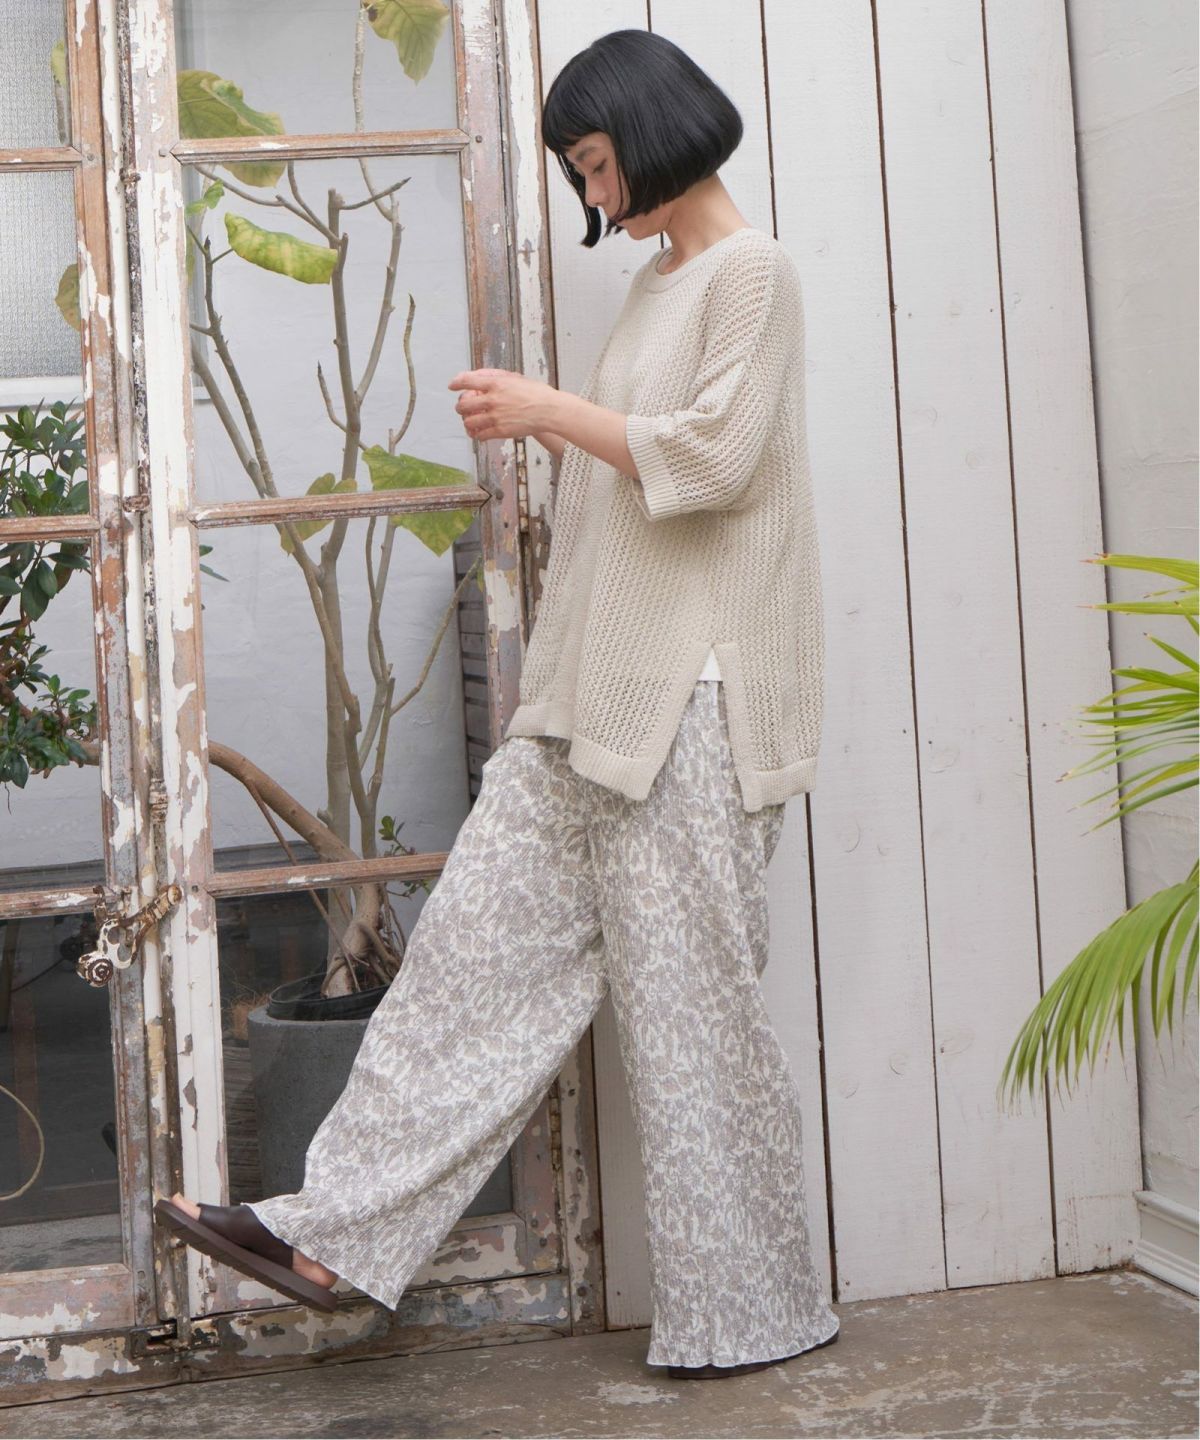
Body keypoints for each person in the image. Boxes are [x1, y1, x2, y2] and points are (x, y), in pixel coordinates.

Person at [156, 28, 837, 1382]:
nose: (594, 193)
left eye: (596, 163)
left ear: (653, 128)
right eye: (580, 173)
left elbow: (712, 465)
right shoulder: (657, 285)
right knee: (464, 967)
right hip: (586, 701)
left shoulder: (753, 274)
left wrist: (544, 412)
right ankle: (332, 1235)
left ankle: (752, 1314)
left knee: (692, 1021)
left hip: (694, 703)